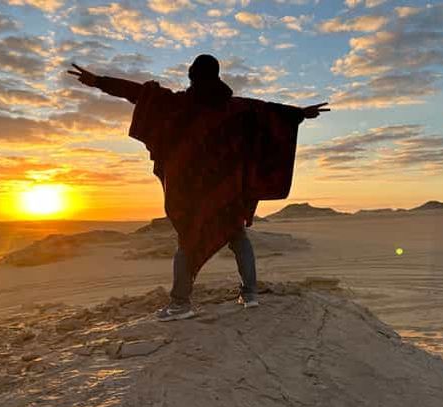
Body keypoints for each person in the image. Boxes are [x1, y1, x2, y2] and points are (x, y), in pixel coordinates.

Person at [67, 54, 328, 321]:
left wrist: (97, 81)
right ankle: (250, 295)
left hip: (191, 191)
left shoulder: (177, 104)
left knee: (188, 240)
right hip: (228, 189)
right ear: (217, 76)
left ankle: (181, 304)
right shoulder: (236, 107)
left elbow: (136, 93)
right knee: (237, 235)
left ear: (192, 74)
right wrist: (300, 113)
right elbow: (270, 112)